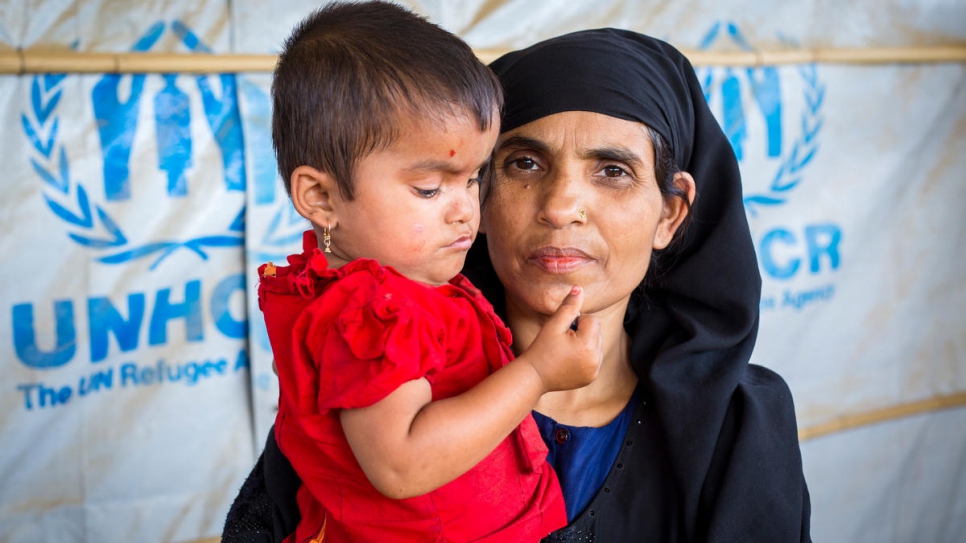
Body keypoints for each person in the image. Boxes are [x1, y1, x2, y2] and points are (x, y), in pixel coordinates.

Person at [223, 26, 811, 543]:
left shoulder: (739, 431)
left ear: (670, 215)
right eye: (524, 164)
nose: (560, 208)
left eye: (612, 172)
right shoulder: (373, 391)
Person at [252, 2, 603, 543]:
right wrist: (537, 373)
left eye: (473, 178)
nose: (465, 207)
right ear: (320, 197)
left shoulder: (402, 287)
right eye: (429, 188)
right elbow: (402, 465)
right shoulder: (370, 311)